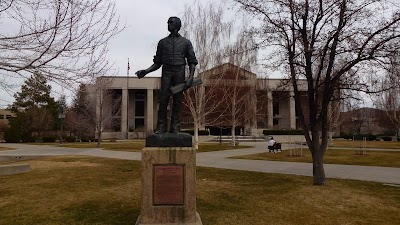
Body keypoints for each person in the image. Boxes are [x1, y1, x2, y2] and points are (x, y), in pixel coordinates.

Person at [135, 16, 198, 134]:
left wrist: (190, 78)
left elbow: (192, 61)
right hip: (167, 72)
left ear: (177, 26)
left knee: (177, 101)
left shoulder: (186, 43)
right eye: (168, 23)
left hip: (180, 71)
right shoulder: (162, 43)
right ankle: (161, 127)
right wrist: (146, 71)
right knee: (163, 100)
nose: (168, 24)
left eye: (171, 23)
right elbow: (158, 63)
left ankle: (175, 127)